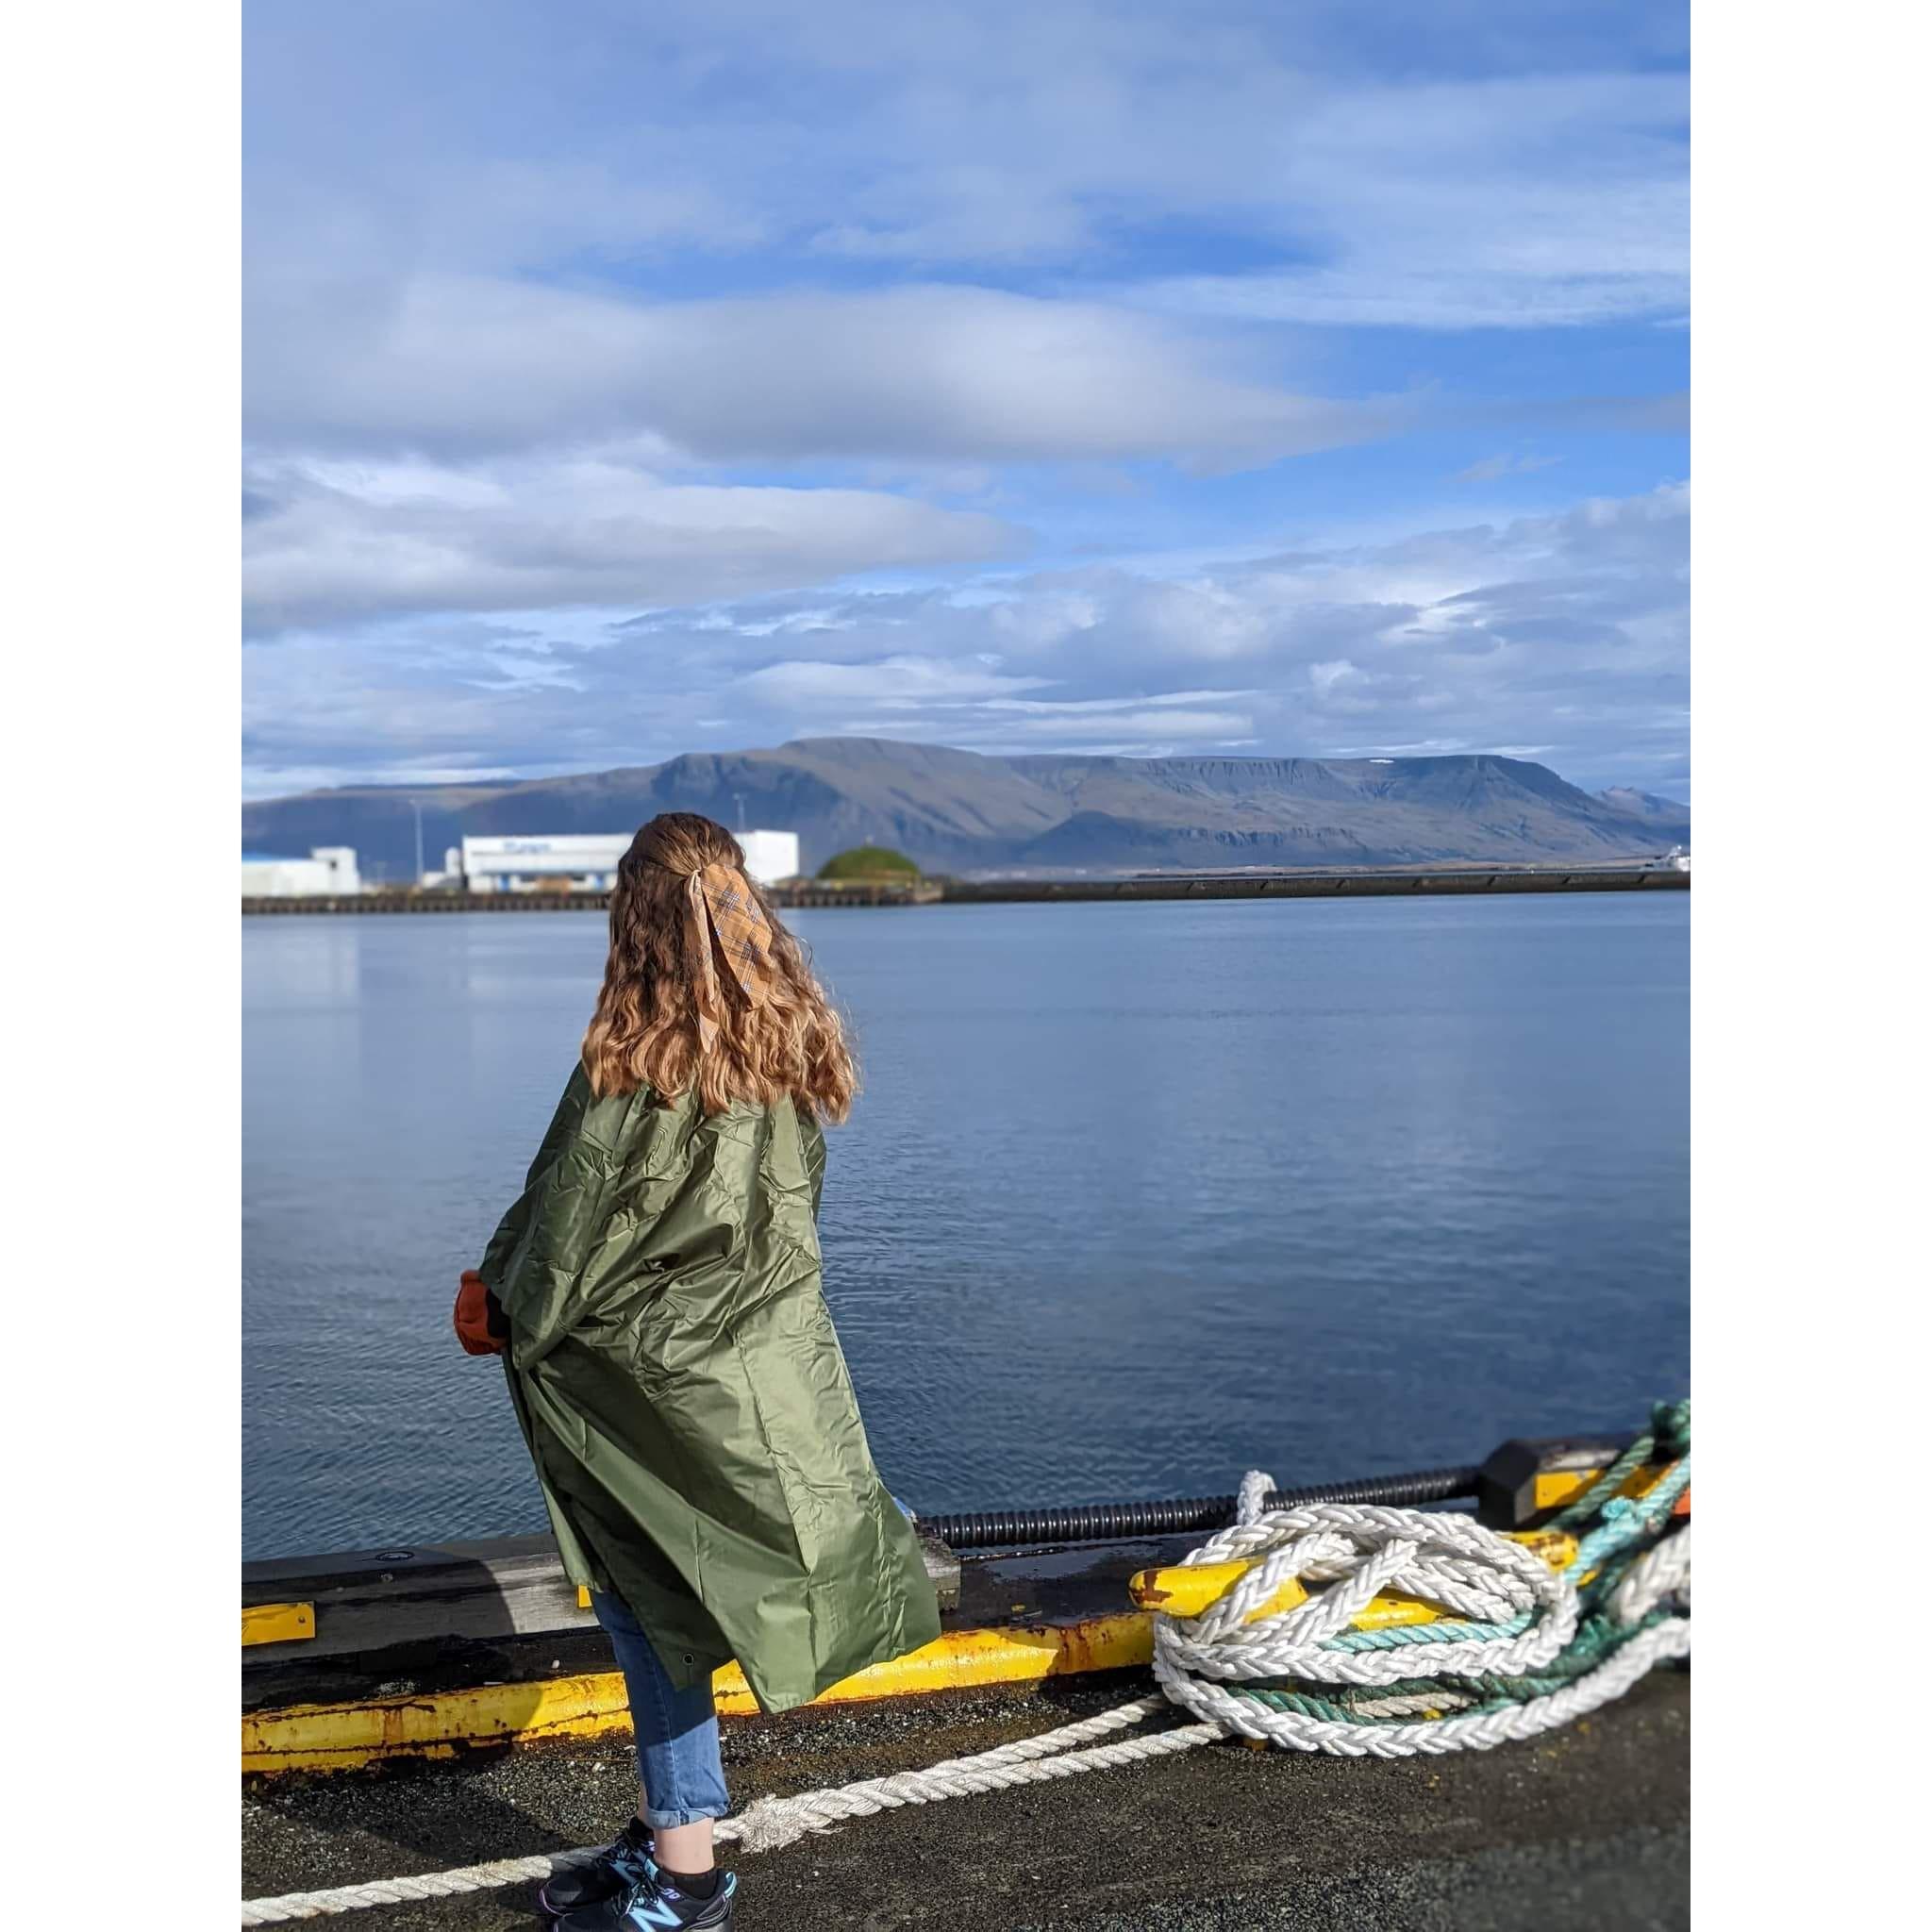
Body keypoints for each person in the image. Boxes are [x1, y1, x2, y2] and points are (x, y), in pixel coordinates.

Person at [454, 812, 941, 1930]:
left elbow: (566, 1237)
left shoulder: (629, 1064)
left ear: (634, 917)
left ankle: (684, 1875)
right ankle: (675, 1823)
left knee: (648, 1607)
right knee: (699, 1589)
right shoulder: (786, 1047)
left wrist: (495, 1302)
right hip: (762, 1372)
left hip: (653, 1387)